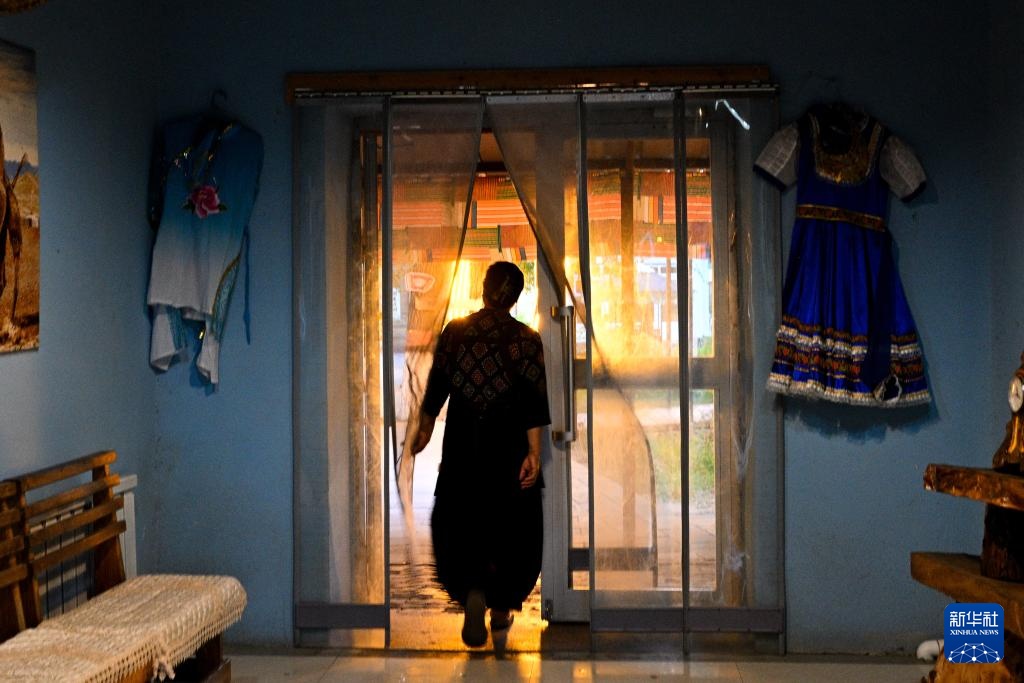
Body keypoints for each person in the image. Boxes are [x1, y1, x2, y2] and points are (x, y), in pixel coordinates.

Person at [410, 261, 550, 647]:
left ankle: (472, 591)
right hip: (508, 448)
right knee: (512, 527)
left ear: (484, 289)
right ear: (516, 297)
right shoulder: (526, 340)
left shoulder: (455, 332)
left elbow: (436, 388)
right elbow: (534, 403)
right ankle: (501, 606)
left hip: (463, 445)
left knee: (461, 520)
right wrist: (534, 453)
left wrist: (424, 430)